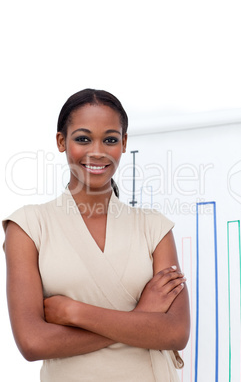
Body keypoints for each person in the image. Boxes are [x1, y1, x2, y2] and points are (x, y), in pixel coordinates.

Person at [3, 88, 190, 381]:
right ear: (61, 141)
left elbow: (176, 333)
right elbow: (33, 342)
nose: (98, 151)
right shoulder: (28, 226)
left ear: (124, 143)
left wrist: (74, 312)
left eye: (111, 139)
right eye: (83, 138)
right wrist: (141, 319)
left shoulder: (153, 227)